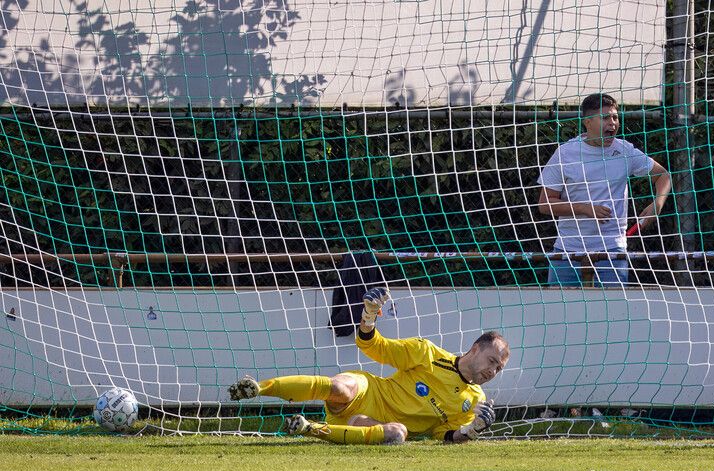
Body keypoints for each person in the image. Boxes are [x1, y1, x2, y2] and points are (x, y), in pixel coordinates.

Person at [229, 287, 510, 444]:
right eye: (492, 361)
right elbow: (375, 347)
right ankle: (258, 387)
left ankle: (309, 428)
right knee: (340, 387)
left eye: (499, 369)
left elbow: (444, 435)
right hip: (370, 391)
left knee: (397, 434)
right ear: (475, 348)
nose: (493, 371)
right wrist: (369, 316)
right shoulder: (428, 353)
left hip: (371, 423)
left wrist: (471, 431)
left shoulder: (476, 402)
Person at [537, 93, 672, 286]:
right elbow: (545, 203)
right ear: (588, 122)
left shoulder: (625, 151)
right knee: (561, 315)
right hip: (567, 251)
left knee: (613, 314)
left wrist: (657, 204)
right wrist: (585, 209)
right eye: (605, 117)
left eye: (615, 117)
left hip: (612, 251)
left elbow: (663, 175)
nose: (613, 123)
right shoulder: (566, 153)